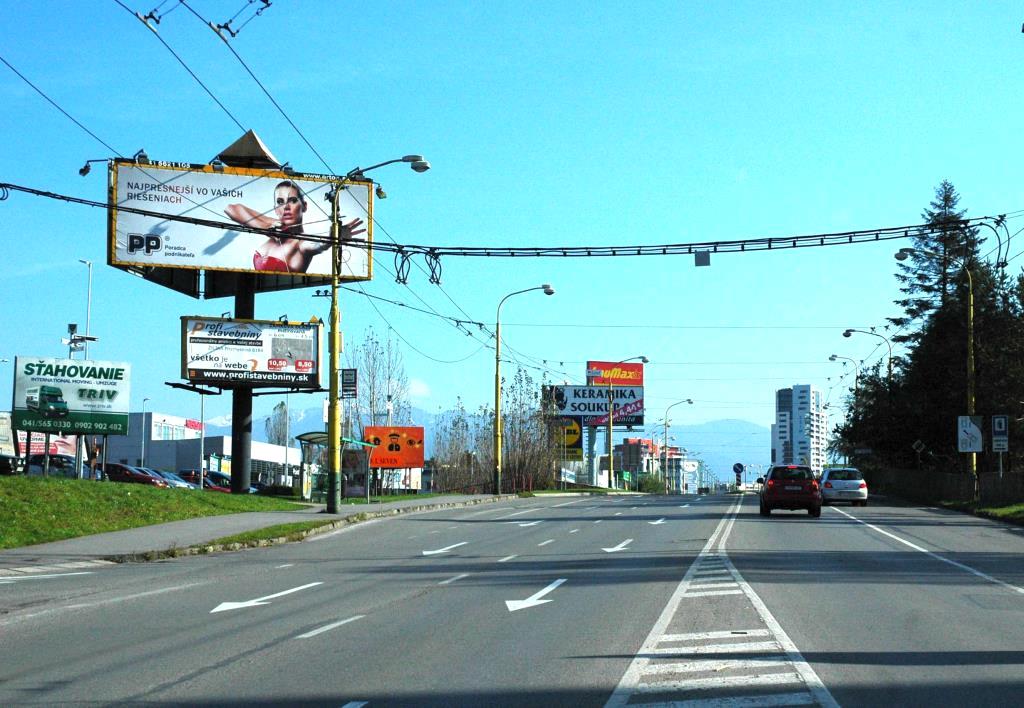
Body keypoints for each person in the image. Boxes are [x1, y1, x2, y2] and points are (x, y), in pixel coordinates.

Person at [224, 180, 365, 273]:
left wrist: (333, 236)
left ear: (304, 206)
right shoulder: (274, 226)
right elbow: (232, 208)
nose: (286, 207)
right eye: (280, 202)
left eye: (292, 201)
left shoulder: (301, 244)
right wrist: (268, 227)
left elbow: (320, 244)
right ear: (275, 208)